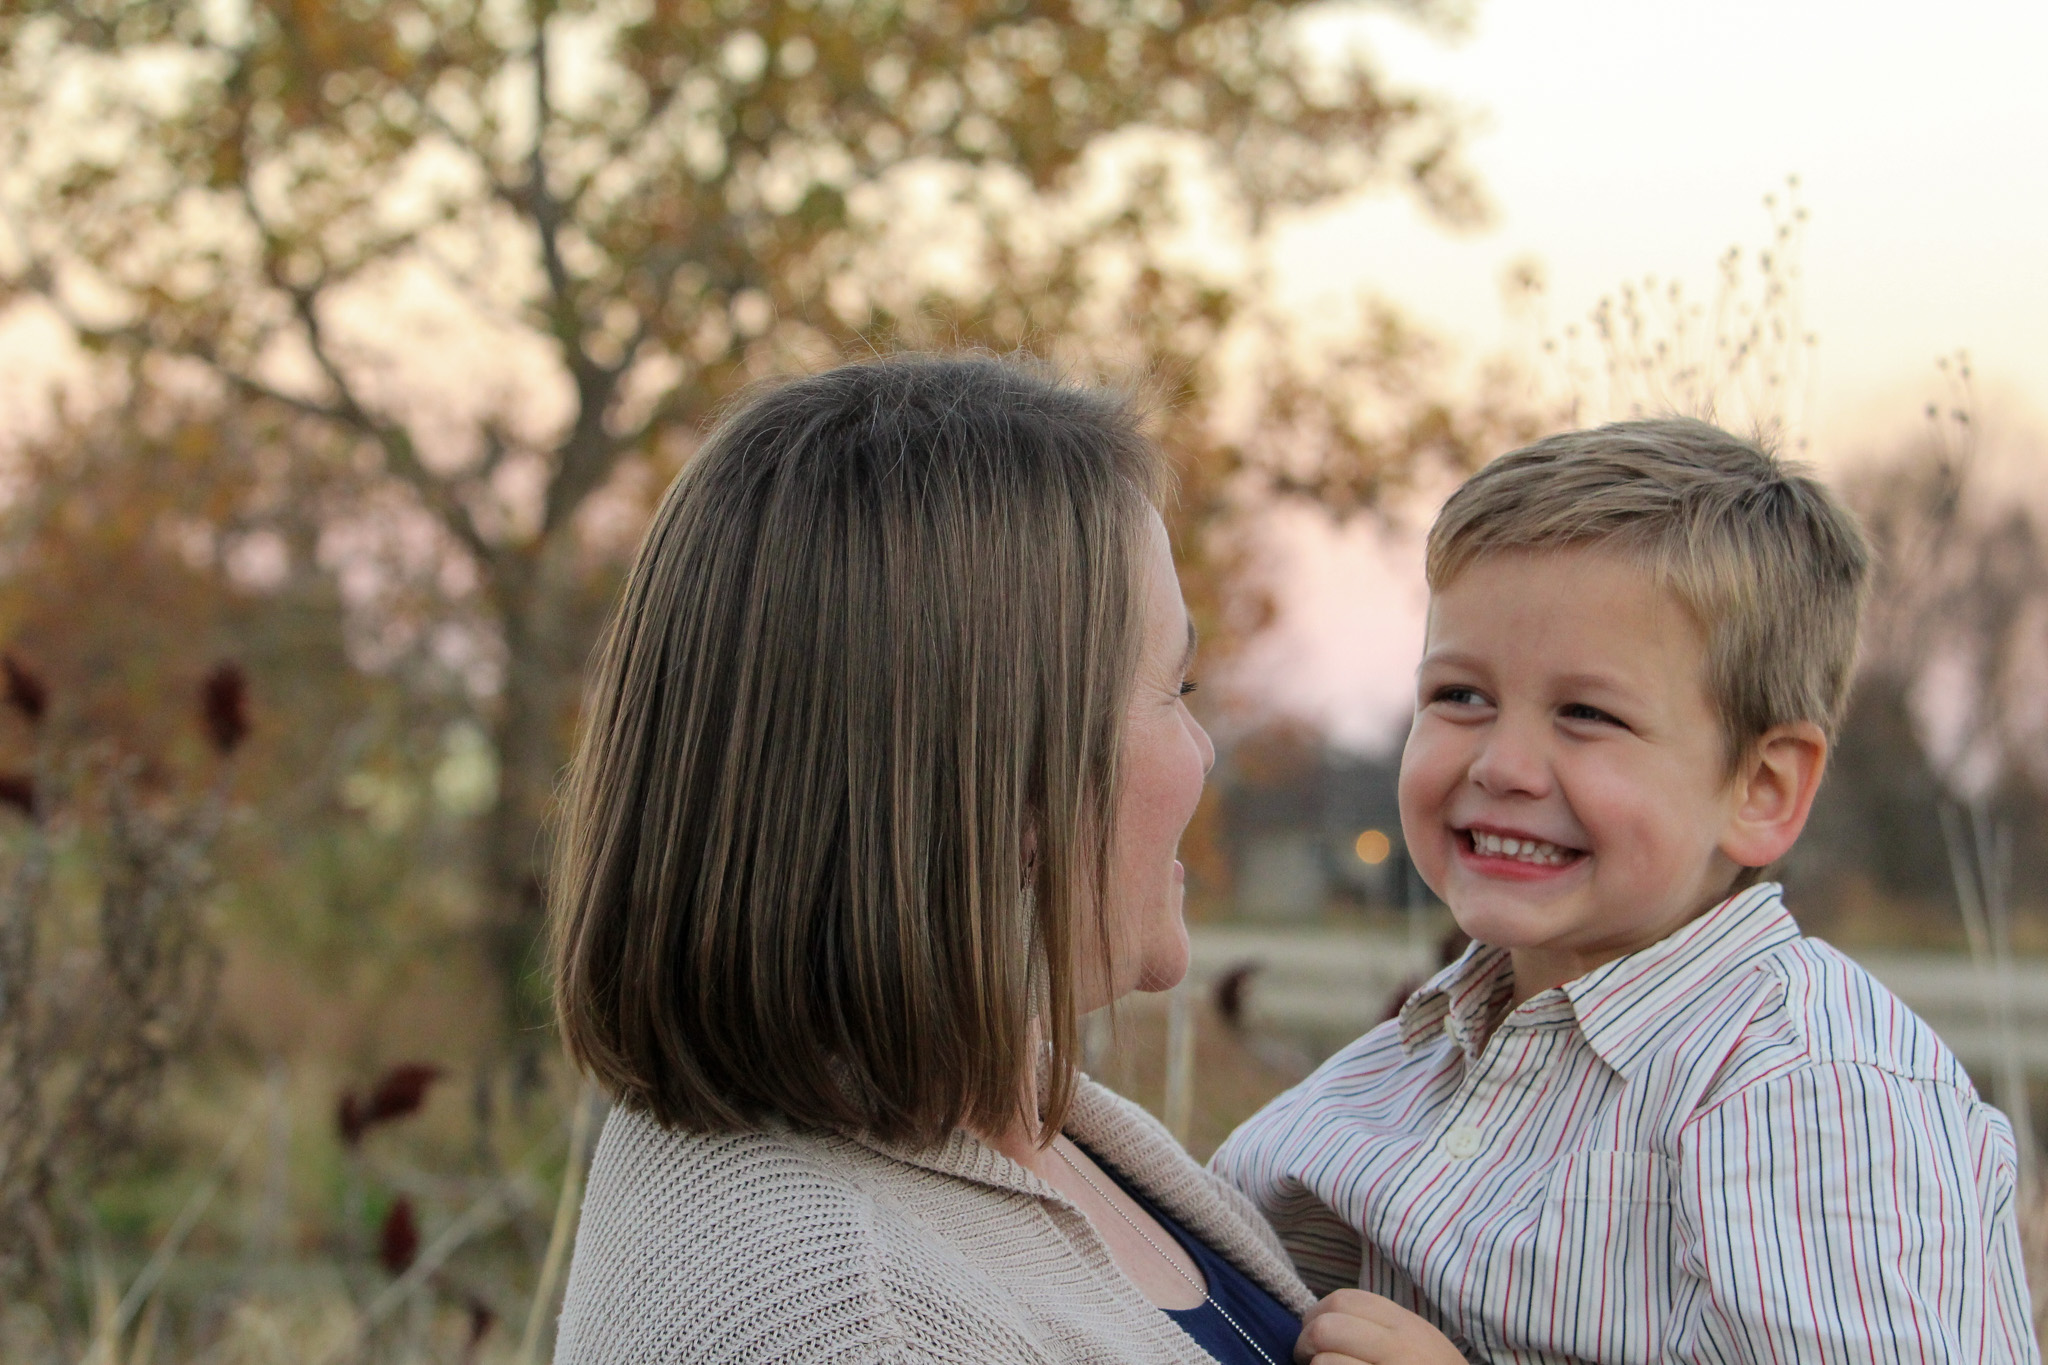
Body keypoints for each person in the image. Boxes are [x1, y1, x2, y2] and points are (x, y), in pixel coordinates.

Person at [544, 355, 1460, 1365]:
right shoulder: (846, 1324)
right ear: (1009, 782)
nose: (1203, 755)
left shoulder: (1009, 1114)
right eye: (1175, 689)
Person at [1214, 419, 2040, 1363]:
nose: (1503, 764)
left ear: (1762, 789)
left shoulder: (1811, 1093)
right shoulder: (1394, 1075)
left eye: (1587, 713)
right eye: (1459, 695)